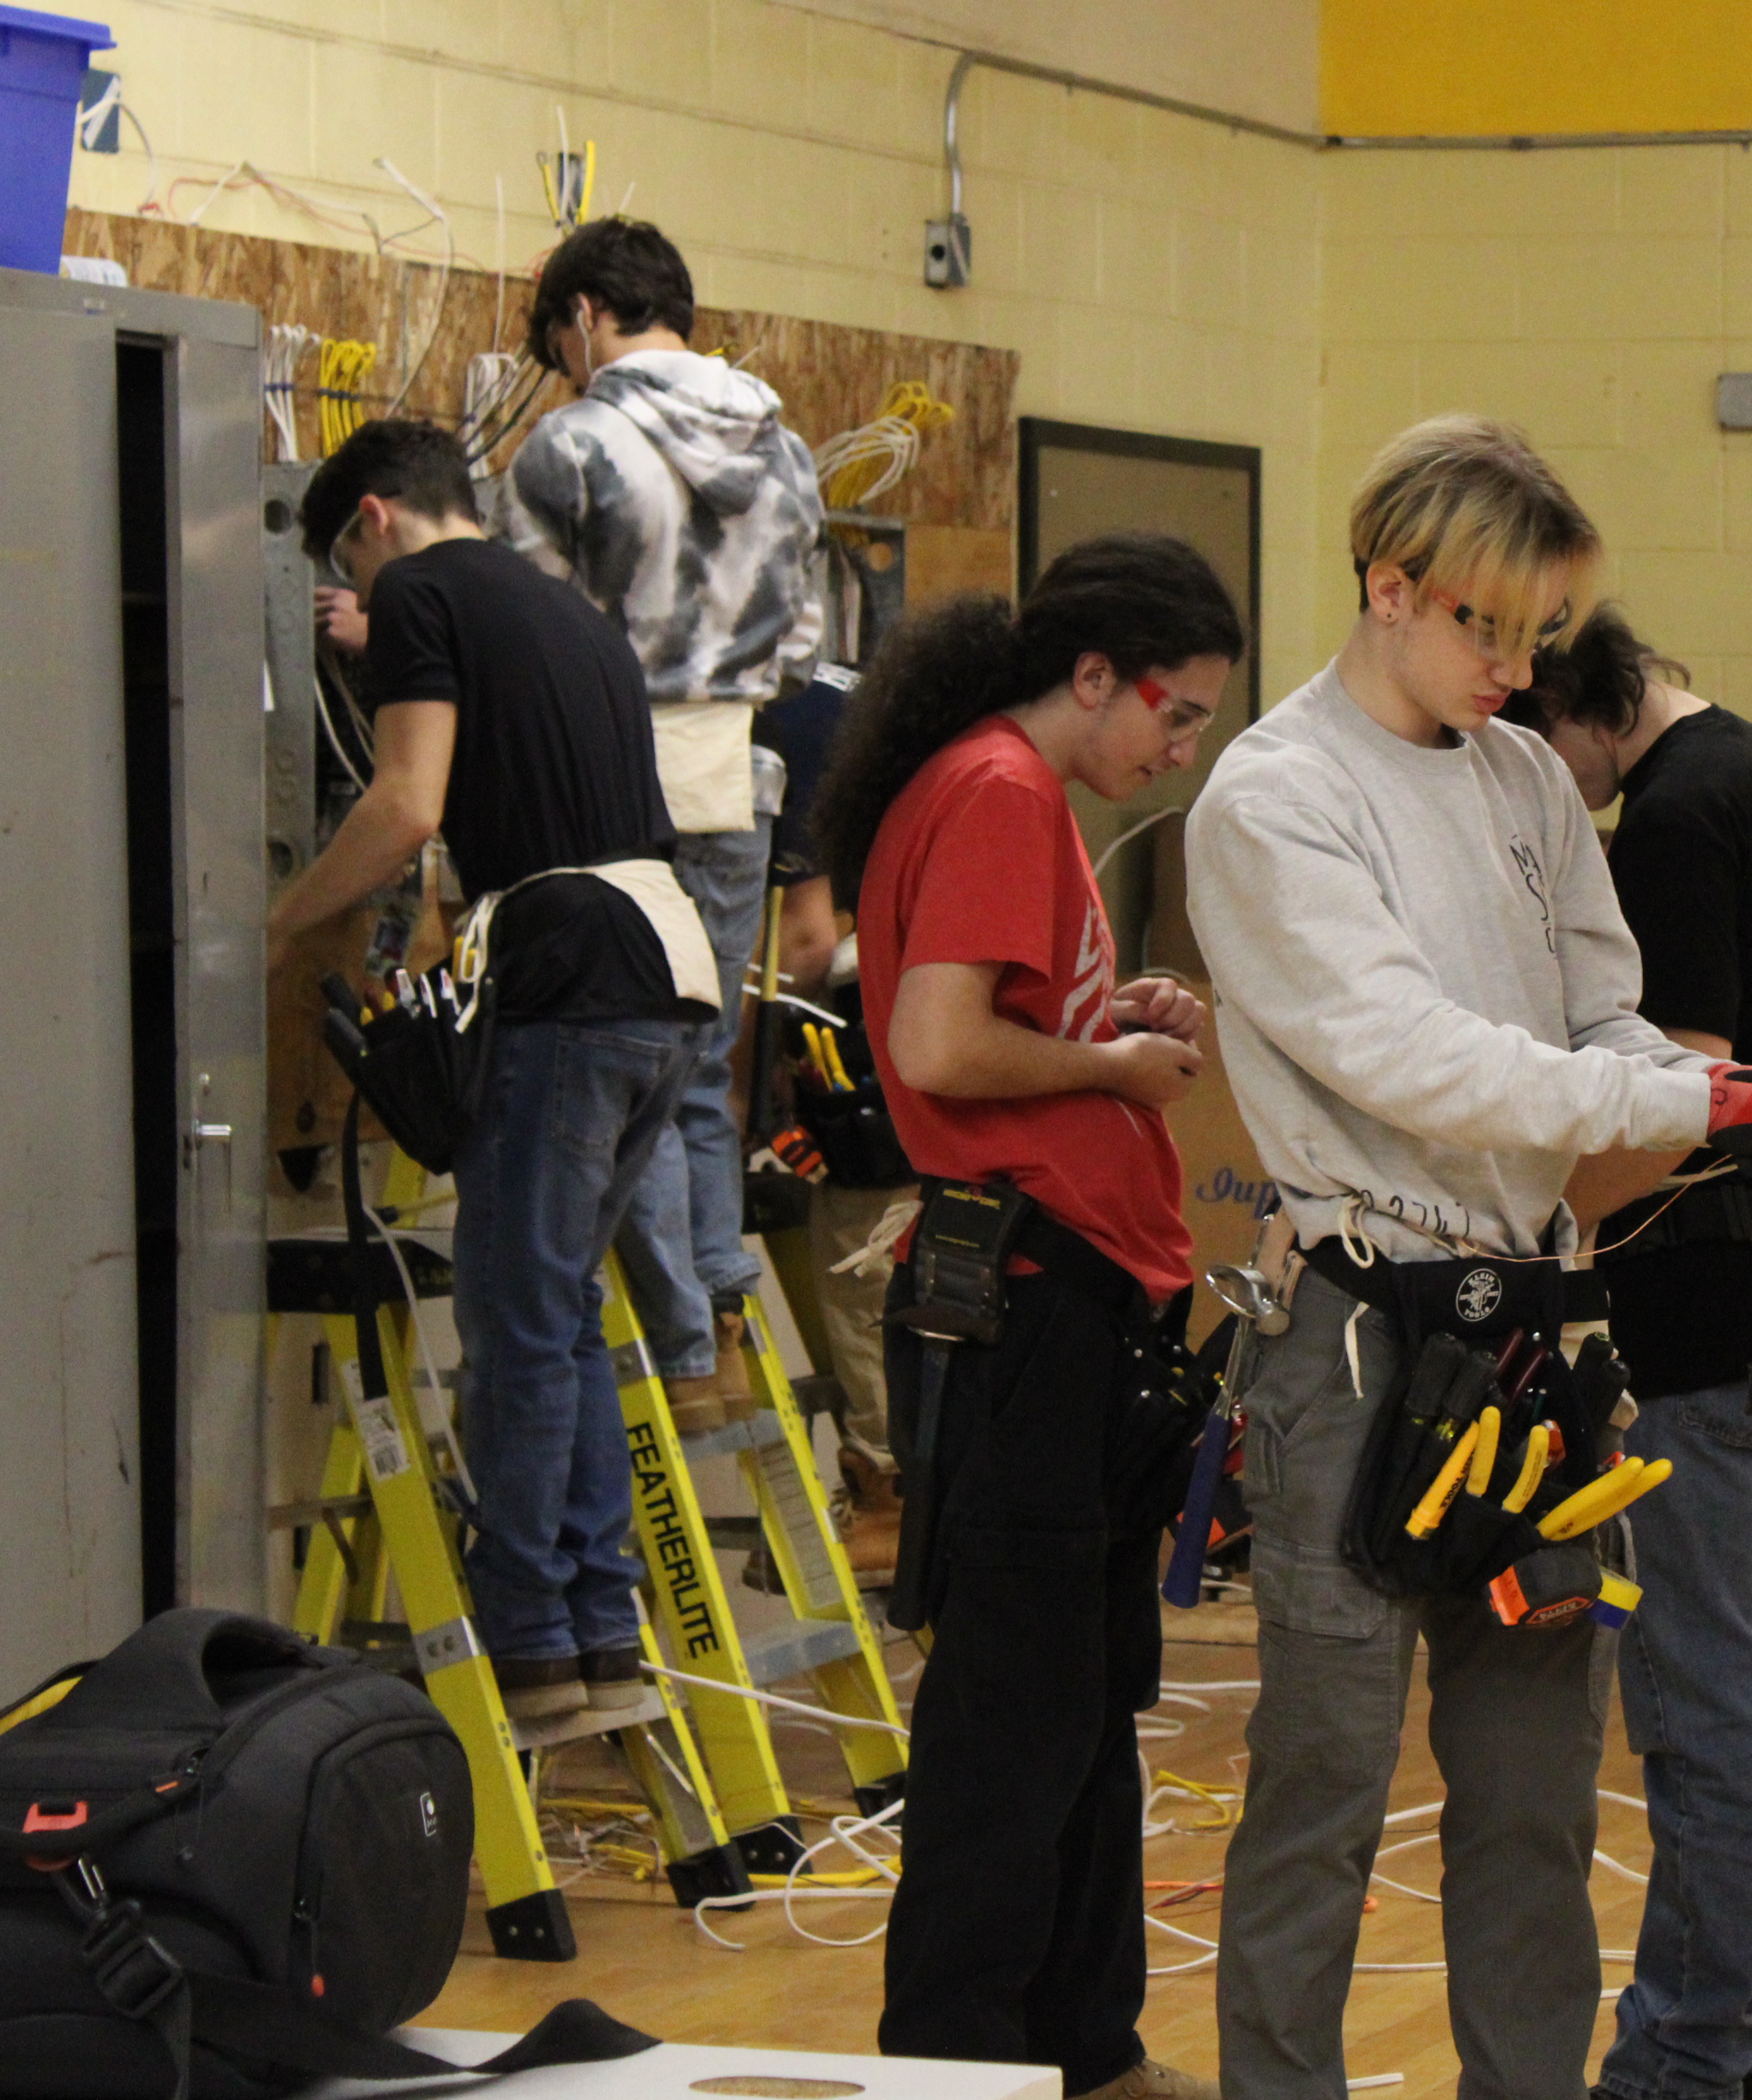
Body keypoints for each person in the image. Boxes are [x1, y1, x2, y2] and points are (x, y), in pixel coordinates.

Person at [1185, 417, 1752, 2100]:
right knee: (1323, 1787)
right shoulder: (1275, 800)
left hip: (1537, 1341)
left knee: (1533, 1801)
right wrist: (1692, 1099)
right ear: (1388, 585)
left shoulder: (1526, 777)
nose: (1517, 670)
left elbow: (1600, 1010)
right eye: (1487, 627)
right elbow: (1417, 1056)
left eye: (1540, 636)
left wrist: (1699, 1084)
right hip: (1356, 1337)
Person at [814, 533, 1244, 2100]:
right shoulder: (997, 789)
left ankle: (1084, 2046)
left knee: (1080, 1707)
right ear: (1093, 675)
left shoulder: (1010, 793)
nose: (1179, 752)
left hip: (1076, 1299)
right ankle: (957, 2064)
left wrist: (1104, 1021)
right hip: (1030, 1302)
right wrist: (1108, 1068)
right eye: (1176, 715)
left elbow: (992, 1022)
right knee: (1012, 1725)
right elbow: (939, 1047)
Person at [269, 420, 723, 1727]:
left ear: (372, 519)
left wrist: (279, 923)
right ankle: (595, 1628)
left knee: (519, 1320)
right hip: (666, 971)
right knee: (562, 1310)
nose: (361, 598)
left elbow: (407, 803)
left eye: (348, 570)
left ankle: (525, 1634)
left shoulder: (417, 588)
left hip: (569, 978)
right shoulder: (568, 607)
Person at [1503, 608, 1752, 2100]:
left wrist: (1541, 1220)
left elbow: (1684, 1098)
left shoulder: (1679, 821)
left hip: (1702, 1320)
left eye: (1539, 748)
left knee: (1708, 1705)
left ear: (1585, 704)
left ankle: (1684, 2052)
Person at [506, 215, 826, 1432]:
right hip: (732, 784)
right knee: (695, 1065)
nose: (564, 368)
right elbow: (800, 650)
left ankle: (686, 1347)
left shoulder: (572, 445)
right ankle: (722, 1310)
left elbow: (528, 642)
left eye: (559, 344)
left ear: (586, 317)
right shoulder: (787, 451)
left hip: (605, 793)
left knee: (614, 1075)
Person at [761, 658, 916, 1581]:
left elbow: (809, 937)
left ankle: (888, 1496)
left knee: (864, 1276)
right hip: (930, 1015)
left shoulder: (790, 723)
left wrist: (747, 1061)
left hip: (867, 1034)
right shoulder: (863, 691)